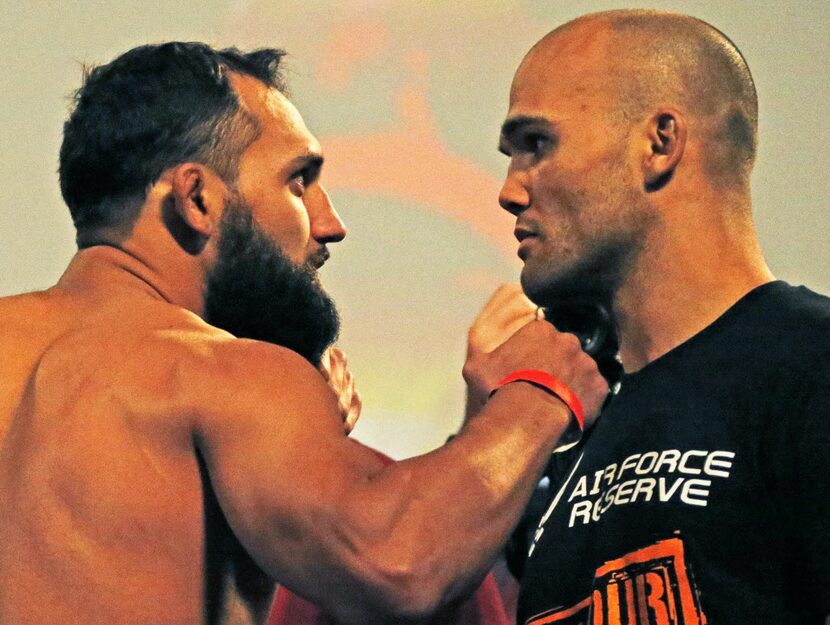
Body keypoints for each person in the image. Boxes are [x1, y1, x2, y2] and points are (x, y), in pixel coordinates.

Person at [0, 42, 610, 625]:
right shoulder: (217, 371)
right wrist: (538, 388)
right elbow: (397, 565)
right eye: (298, 182)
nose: (331, 224)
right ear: (196, 199)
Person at [472, 8, 830, 624]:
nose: (509, 189)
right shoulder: (562, 418)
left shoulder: (814, 364)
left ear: (659, 143)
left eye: (536, 144)